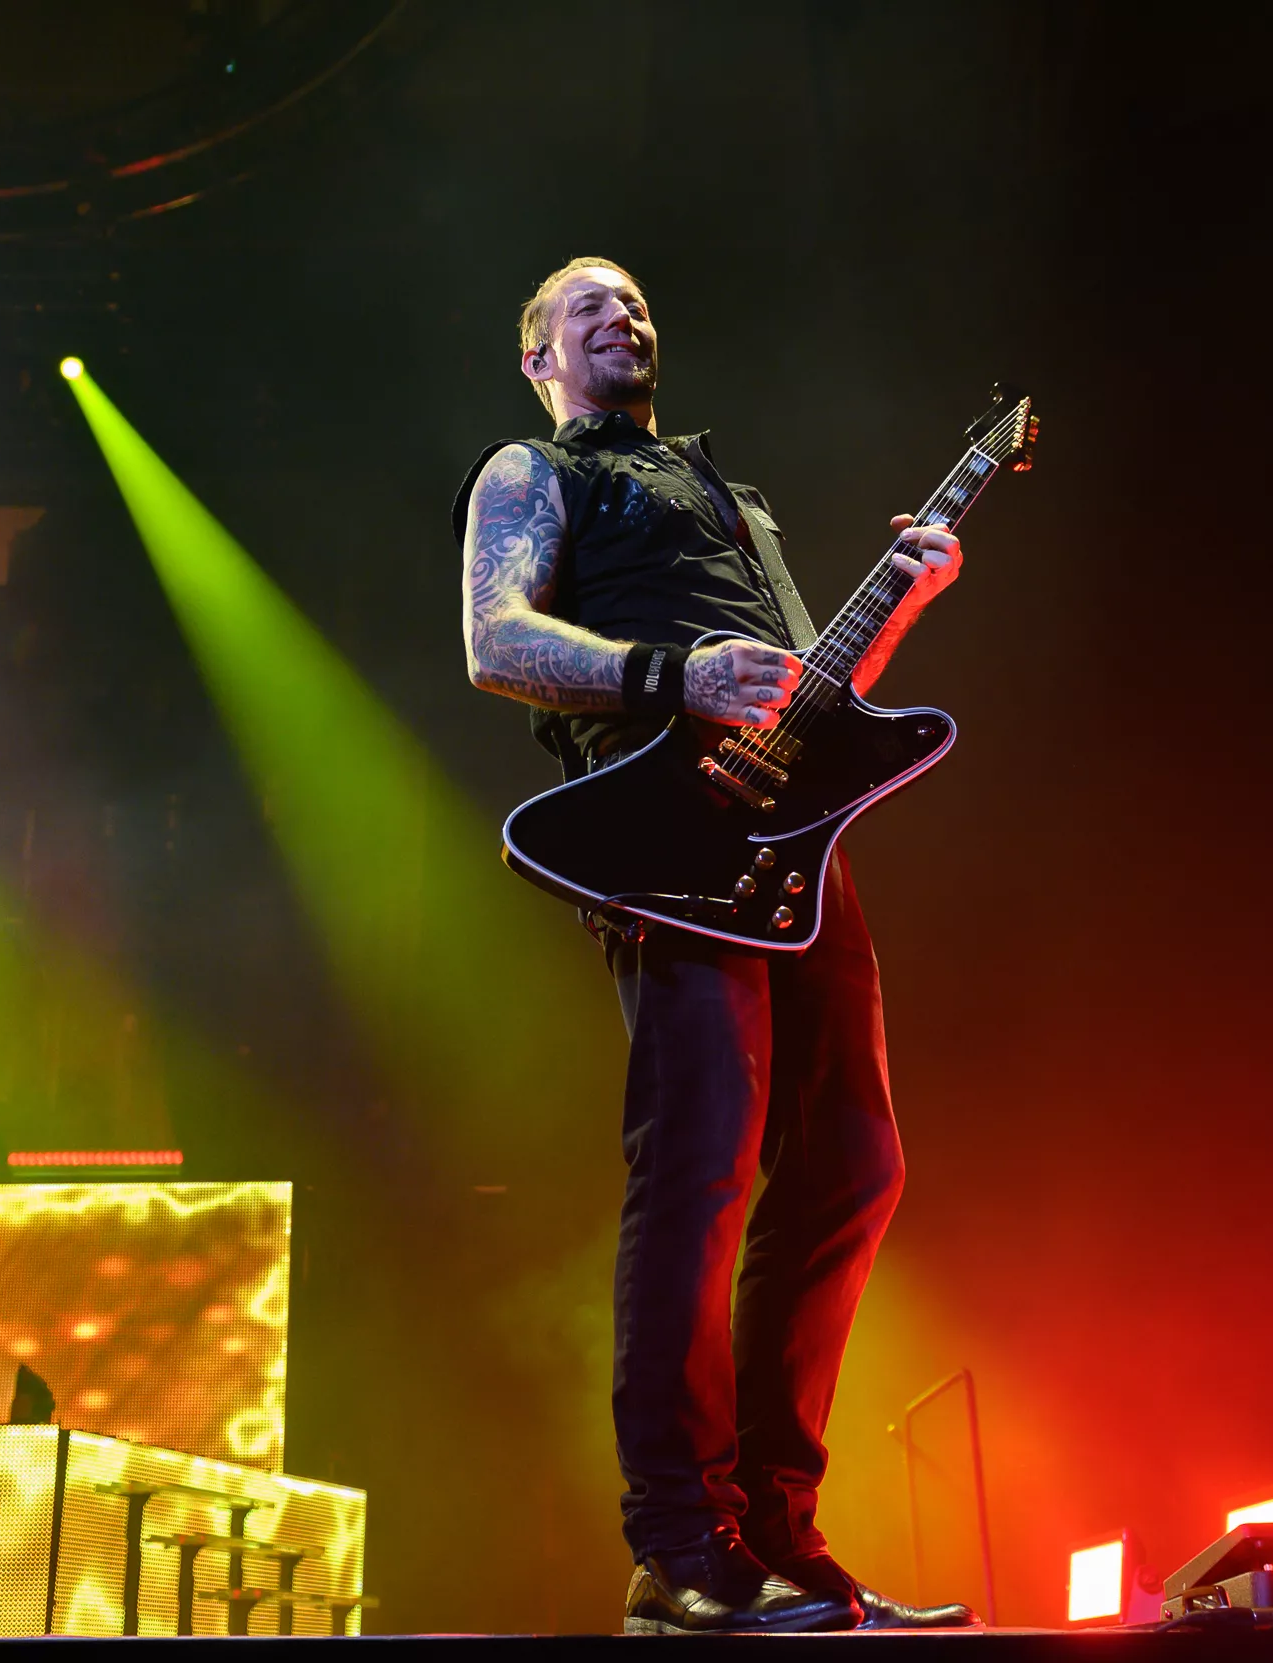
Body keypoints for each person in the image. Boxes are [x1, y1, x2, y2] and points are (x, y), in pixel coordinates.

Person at [452, 257, 976, 1634]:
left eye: (632, 301)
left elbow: (815, 692)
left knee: (856, 1165)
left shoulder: (732, 498)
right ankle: (678, 1545)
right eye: (586, 307)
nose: (620, 316)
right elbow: (494, 639)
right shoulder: (532, 471)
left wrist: (904, 597)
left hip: (795, 849)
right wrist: (670, 676)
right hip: (661, 836)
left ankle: (778, 1534)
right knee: (699, 1167)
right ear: (540, 359)